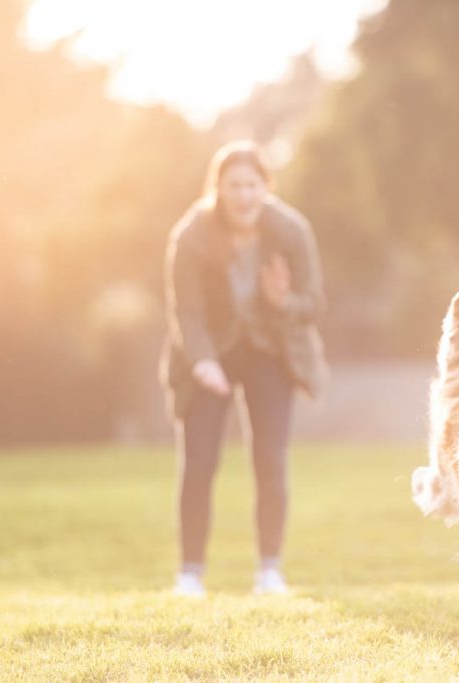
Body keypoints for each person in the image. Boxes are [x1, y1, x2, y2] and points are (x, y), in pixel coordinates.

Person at [160, 141, 326, 597]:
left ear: (266, 187)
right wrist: (204, 361)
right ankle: (189, 575)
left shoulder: (292, 231)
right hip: (207, 353)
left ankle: (269, 572)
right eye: (234, 186)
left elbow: (313, 303)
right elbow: (186, 312)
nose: (244, 196)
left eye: (252, 185)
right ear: (218, 188)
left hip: (270, 350)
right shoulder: (191, 234)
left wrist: (282, 301)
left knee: (270, 459)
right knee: (199, 463)